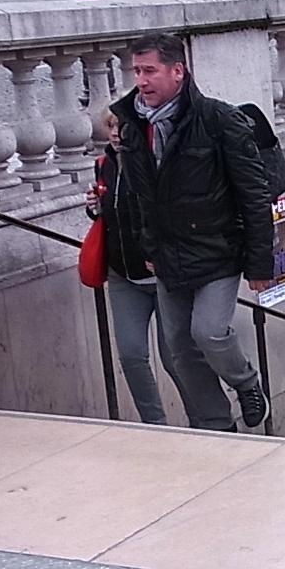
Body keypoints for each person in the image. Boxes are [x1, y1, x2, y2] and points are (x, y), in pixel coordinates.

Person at [111, 32, 273, 432]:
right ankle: (219, 425)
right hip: (168, 256)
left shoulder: (219, 120)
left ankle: (247, 384)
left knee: (209, 332)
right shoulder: (133, 126)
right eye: (136, 71)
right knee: (180, 350)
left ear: (177, 71)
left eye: (150, 71)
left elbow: (254, 196)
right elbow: (139, 199)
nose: (141, 81)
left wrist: (260, 264)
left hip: (218, 251)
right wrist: (149, 248)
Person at [84, 110, 198, 427]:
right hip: (123, 274)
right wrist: (94, 208)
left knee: (174, 358)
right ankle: (155, 425)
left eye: (121, 126)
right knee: (131, 354)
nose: (115, 132)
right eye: (110, 126)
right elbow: (111, 214)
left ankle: (205, 421)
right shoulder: (104, 165)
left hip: (162, 275)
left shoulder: (156, 163)